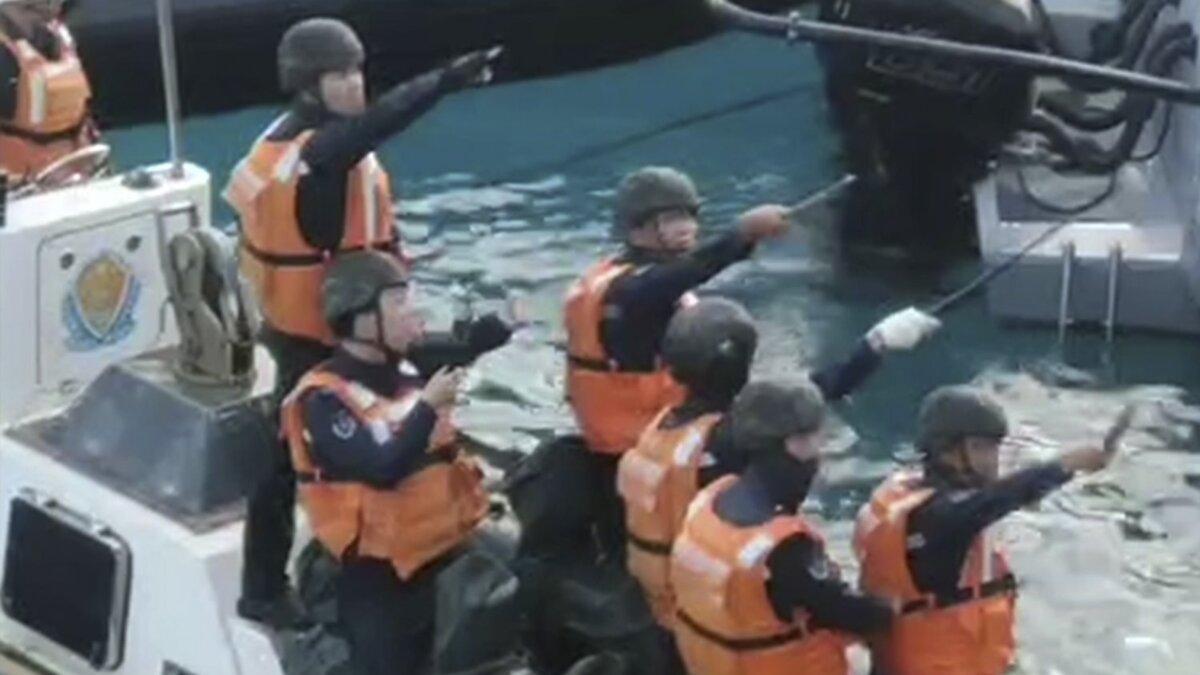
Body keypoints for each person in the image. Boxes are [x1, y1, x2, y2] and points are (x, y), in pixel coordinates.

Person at [225, 16, 499, 627]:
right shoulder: (319, 151)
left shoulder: (294, 141)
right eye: (342, 75)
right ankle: (267, 589)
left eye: (358, 71)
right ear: (307, 85)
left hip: (327, 318)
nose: (357, 85)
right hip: (316, 339)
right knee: (286, 468)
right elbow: (380, 124)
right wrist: (444, 81)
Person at [617, 298, 938, 631]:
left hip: (672, 595)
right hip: (701, 605)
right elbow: (804, 400)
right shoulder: (720, 440)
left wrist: (874, 345)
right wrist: (873, 345)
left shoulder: (663, 428)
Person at [280, 250, 506, 673]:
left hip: (446, 544)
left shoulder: (407, 366)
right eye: (398, 302)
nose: (411, 312)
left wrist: (508, 319)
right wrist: (428, 406)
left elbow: (466, 345)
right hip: (382, 576)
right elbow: (382, 467)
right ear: (362, 318)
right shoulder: (325, 400)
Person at [562, 166, 794, 552]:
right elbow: (682, 275)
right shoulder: (634, 293)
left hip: (633, 440)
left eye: (691, 216)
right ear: (639, 227)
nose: (688, 227)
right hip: (636, 446)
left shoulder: (618, 278)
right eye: (673, 219)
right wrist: (742, 234)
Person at [853, 385, 1119, 675]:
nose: (993, 460)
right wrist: (1066, 466)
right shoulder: (937, 519)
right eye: (982, 448)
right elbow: (990, 502)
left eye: (995, 448)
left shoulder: (913, 497)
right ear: (947, 451)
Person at [670, 380, 897, 675]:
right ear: (789, 445)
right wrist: (894, 605)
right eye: (813, 441)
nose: (818, 453)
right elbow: (857, 615)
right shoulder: (783, 547)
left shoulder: (710, 500)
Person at [0, 0, 98, 182]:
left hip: (82, 182)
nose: (51, 7)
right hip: (22, 194)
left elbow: (83, 116)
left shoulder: (60, 37)